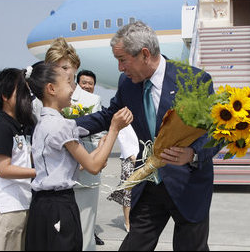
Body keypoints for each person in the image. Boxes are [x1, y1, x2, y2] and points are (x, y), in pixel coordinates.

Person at [75, 21, 220, 251]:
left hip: (188, 184)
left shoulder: (192, 81)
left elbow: (216, 132)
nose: (120, 68)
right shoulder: (128, 84)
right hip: (150, 184)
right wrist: (66, 127)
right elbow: (108, 116)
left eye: (122, 60)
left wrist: (192, 154)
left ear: (144, 54)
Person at [24, 62, 132, 251]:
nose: (74, 88)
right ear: (51, 89)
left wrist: (101, 147)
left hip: (41, 206)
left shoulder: (43, 123)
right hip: (60, 205)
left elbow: (72, 164)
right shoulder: (62, 126)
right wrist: (114, 129)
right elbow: (93, 166)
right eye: (68, 83)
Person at [0, 68, 36, 251]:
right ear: (5, 96)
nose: (27, 97)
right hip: (7, 207)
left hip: (19, 202)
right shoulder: (1, 128)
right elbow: (3, 169)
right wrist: (39, 172)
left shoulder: (20, 125)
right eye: (21, 92)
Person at [73, 69, 106, 248]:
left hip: (84, 172)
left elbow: (99, 137)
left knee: (85, 228)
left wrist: (91, 159)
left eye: (90, 83)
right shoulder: (47, 96)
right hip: (56, 175)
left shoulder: (93, 101)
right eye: (83, 82)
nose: (86, 86)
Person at [107, 125, 139, 233]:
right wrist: (131, 156)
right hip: (129, 158)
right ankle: (127, 222)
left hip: (144, 156)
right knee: (128, 191)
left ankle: (139, 219)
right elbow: (121, 138)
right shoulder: (126, 116)